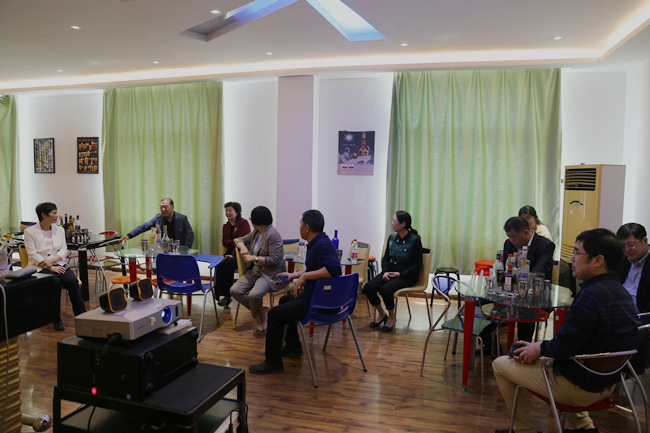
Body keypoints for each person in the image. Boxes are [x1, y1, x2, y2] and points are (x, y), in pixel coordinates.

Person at [492, 228, 639, 433]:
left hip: (578, 387)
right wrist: (539, 347)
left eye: (577, 253)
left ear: (598, 260)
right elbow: (573, 344)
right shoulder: (621, 293)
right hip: (606, 383)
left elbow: (562, 348)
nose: (572, 259)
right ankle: (586, 427)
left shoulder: (590, 295)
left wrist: (539, 349)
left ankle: (523, 429)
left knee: (500, 364)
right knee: (551, 358)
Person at [249, 209, 341, 375]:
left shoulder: (321, 245)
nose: (299, 227)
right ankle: (293, 347)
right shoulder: (320, 242)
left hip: (318, 303)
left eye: (300, 224)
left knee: (275, 314)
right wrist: (294, 275)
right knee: (285, 301)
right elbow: (316, 268)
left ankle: (273, 362)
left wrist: (305, 276)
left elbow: (334, 269)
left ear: (307, 227)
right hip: (321, 299)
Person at [23, 202, 86, 331]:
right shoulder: (30, 232)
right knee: (54, 283)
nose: (57, 215)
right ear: (44, 215)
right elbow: (32, 254)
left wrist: (52, 261)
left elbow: (63, 249)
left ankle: (82, 316)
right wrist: (50, 267)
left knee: (72, 281)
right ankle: (55, 319)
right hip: (39, 267)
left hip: (58, 263)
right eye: (54, 213)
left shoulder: (60, 230)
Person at [230, 206, 287, 338]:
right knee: (234, 290)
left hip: (271, 274)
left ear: (255, 220)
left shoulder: (272, 234)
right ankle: (261, 310)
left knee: (255, 295)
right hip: (256, 271)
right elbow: (238, 240)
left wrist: (254, 258)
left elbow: (275, 260)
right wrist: (243, 247)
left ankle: (256, 316)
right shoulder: (256, 232)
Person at [364, 211, 422, 333]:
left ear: (403, 224)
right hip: (391, 271)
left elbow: (417, 264)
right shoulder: (392, 238)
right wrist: (385, 271)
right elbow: (385, 258)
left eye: (394, 221)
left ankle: (391, 317)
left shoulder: (414, 240)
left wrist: (400, 274)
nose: (392, 223)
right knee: (369, 287)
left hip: (406, 275)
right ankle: (382, 314)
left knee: (385, 290)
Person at [502, 216, 555, 342]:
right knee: (481, 303)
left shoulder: (545, 245)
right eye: (509, 236)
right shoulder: (508, 244)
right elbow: (506, 269)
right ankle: (488, 346)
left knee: (525, 309)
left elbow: (539, 270)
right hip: (511, 292)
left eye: (514, 237)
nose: (511, 240)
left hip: (535, 295)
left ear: (526, 233)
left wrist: (522, 281)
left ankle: (523, 347)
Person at [617, 222, 650, 373]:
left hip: (642, 316)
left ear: (645, 240)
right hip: (620, 312)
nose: (627, 250)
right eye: (623, 246)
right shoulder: (624, 261)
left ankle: (624, 370)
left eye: (631, 245)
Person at [214, 202, 251, 307]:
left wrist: (233, 254)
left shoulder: (243, 223)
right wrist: (234, 240)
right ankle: (221, 295)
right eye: (226, 210)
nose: (227, 212)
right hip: (229, 253)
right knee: (219, 263)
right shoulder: (225, 226)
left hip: (241, 254)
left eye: (230, 210)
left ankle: (227, 295)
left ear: (237, 212)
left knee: (228, 263)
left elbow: (242, 241)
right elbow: (225, 242)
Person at [120, 198, 194, 247]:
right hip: (163, 250)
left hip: (178, 250)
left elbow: (190, 234)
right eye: (161, 207)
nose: (163, 209)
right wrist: (129, 235)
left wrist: (185, 250)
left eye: (166, 207)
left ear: (173, 207)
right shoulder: (158, 218)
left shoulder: (182, 218)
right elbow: (144, 227)